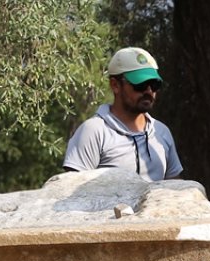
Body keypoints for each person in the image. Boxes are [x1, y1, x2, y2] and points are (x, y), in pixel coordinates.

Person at [63, 47, 183, 180]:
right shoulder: (94, 131)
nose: (149, 92)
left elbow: (174, 189)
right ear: (115, 85)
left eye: (154, 85)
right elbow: (72, 191)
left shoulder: (161, 132)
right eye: (140, 85)